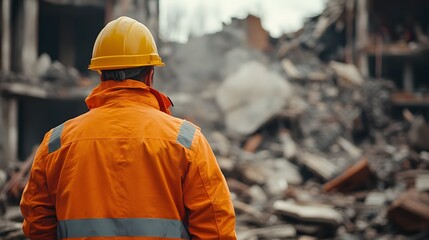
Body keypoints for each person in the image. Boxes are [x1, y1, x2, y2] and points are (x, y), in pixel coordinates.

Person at [20, 16, 237, 240]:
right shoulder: (187, 141)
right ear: (150, 75)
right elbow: (216, 228)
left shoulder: (56, 143)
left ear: (100, 74)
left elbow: (37, 224)